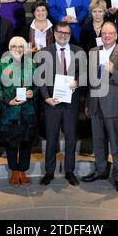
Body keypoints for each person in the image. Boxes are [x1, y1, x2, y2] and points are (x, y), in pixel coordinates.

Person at [83, 22, 118, 194]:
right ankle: (100, 171)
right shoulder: (93, 52)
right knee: (98, 141)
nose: (106, 36)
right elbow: (91, 81)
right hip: (96, 104)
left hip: (114, 106)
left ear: (116, 35)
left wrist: (114, 70)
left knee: (116, 144)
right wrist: (88, 103)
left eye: (110, 33)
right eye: (104, 33)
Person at [37, 22, 85, 186]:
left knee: (71, 138)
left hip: (71, 104)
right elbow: (40, 79)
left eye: (67, 33)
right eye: (60, 32)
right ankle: (49, 172)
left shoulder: (79, 51)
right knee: (51, 138)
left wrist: (77, 82)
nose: (63, 35)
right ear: (54, 33)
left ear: (70, 35)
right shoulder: (44, 52)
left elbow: (85, 75)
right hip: (52, 102)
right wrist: (46, 98)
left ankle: (69, 171)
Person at [0, 36, 38, 187]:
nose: (17, 49)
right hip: (9, 111)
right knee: (11, 144)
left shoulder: (31, 64)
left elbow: (38, 84)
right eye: (14, 47)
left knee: (26, 143)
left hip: (27, 111)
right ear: (9, 49)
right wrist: (6, 99)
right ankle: (14, 172)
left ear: (25, 49)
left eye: (20, 47)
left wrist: (33, 92)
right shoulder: (1, 64)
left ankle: (23, 171)